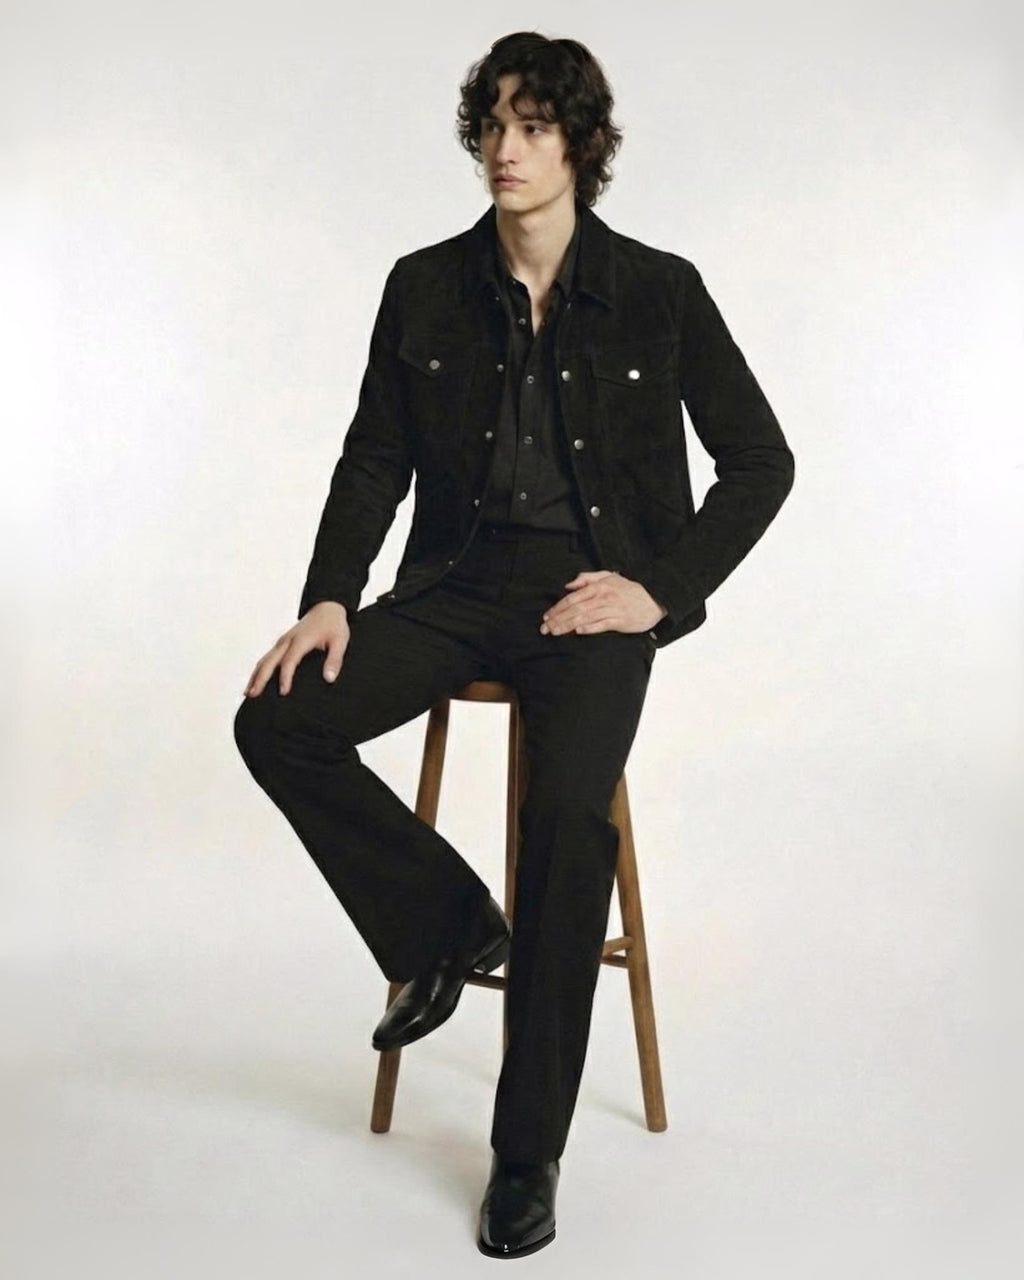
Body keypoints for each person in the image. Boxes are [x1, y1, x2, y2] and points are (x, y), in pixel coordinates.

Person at [233, 30, 794, 1259]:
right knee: (276, 718)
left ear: (579, 146)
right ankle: (448, 925)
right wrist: (330, 595)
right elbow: (373, 456)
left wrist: (656, 592)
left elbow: (761, 461)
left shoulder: (660, 288)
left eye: (533, 126)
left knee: (566, 823)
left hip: (590, 595)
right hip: (455, 577)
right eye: (492, 123)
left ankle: (526, 1152)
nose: (505, 148)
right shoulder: (423, 285)